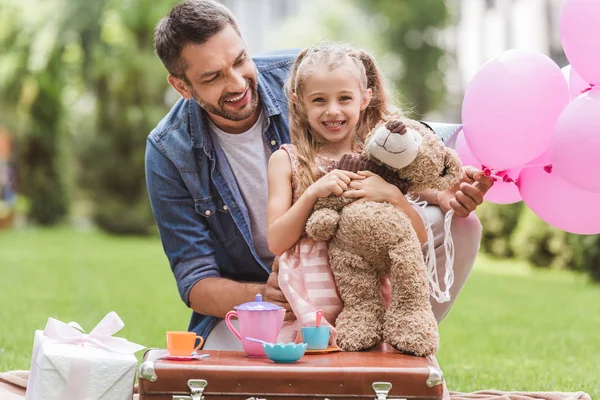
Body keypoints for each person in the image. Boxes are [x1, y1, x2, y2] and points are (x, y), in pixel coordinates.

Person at [146, 0, 493, 350]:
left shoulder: (301, 73)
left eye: (239, 61)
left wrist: (440, 193)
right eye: (213, 77)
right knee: (259, 379)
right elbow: (196, 284)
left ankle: (400, 346)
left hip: (356, 256)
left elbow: (390, 143)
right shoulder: (168, 150)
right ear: (183, 87)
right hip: (269, 297)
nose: (237, 83)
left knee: (461, 224)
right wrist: (265, 294)